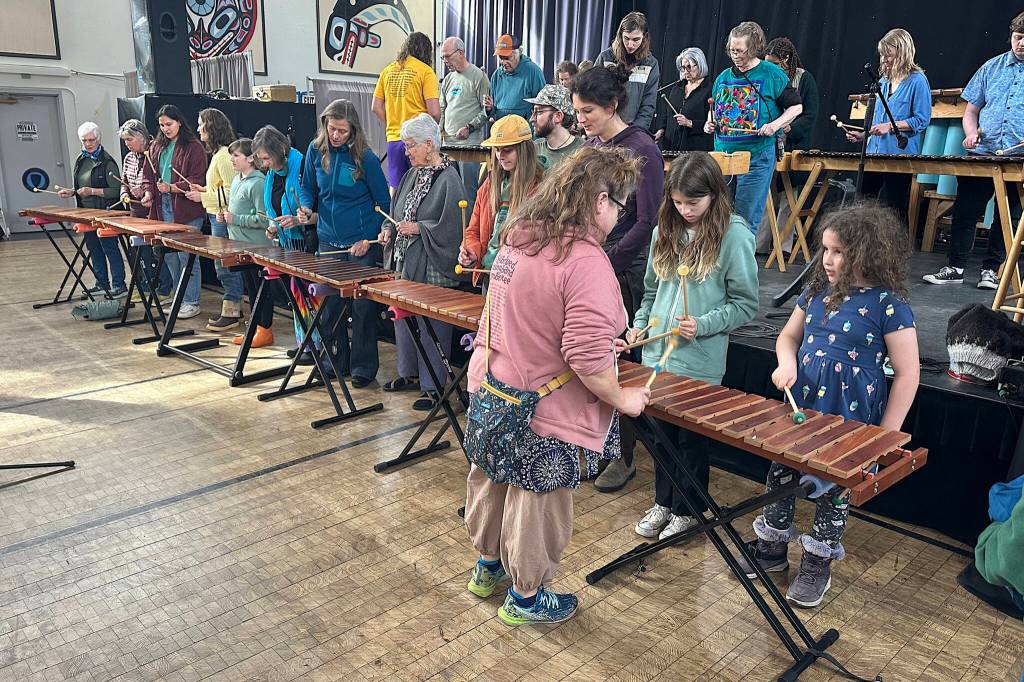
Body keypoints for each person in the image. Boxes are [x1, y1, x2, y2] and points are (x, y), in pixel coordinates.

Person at [463, 145, 652, 626]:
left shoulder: (517, 241)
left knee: (493, 481)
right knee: (537, 504)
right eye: (618, 205)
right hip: (545, 411)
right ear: (599, 201)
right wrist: (622, 397)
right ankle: (525, 598)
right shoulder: (584, 261)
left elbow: (514, 317)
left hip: (496, 389)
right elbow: (586, 358)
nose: (618, 215)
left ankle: (487, 568)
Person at [740, 201, 920, 608]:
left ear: (867, 252)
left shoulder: (888, 305)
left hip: (852, 420)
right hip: (802, 411)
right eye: (824, 250)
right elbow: (787, 338)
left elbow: (908, 374)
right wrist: (786, 363)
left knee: (834, 494)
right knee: (782, 476)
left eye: (838, 251)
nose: (828, 260)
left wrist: (884, 436)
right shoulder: (816, 292)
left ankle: (817, 565)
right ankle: (770, 551)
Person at [629, 152, 759, 540]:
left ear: (715, 195)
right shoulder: (663, 231)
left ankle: (689, 509)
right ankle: (664, 503)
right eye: (678, 201)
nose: (685, 210)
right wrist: (639, 326)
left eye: (694, 203)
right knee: (658, 436)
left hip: (699, 360)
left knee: (691, 441)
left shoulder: (733, 235)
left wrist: (702, 324)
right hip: (656, 354)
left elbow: (745, 305)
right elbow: (651, 292)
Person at [571, 64, 665, 492]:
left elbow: (646, 221)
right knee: (587, 358)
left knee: (619, 363)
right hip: (591, 263)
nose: (582, 119)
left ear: (612, 105)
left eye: (588, 111)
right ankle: (592, 444)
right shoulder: (591, 147)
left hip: (624, 269)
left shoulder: (641, 147)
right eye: (577, 111)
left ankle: (624, 456)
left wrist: (606, 260)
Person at [924, 11, 1024, 290]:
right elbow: (971, 110)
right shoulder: (991, 68)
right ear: (1011, 36)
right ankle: (954, 267)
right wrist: (970, 133)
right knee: (967, 211)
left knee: (1008, 218)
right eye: (1018, 37)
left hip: (1018, 160)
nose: (1022, 43)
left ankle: (991, 270)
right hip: (982, 155)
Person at [297, 99, 391, 388]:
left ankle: (363, 367)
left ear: (353, 130)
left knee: (362, 309)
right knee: (330, 305)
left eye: (342, 130)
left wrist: (368, 239)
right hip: (328, 241)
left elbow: (383, 204)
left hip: (360, 244)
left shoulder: (367, 158)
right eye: (331, 128)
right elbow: (307, 187)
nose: (335, 135)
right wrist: (305, 207)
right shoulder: (316, 150)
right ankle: (335, 360)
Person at [380, 114, 469, 409]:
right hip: (407, 258)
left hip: (433, 260)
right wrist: (388, 230)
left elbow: (454, 225)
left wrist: (420, 228)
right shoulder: (410, 175)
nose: (407, 152)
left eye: (411, 146)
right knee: (403, 317)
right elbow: (397, 210)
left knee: (432, 324)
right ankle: (410, 374)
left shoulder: (450, 178)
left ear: (430, 144)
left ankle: (434, 385)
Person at [704, 21, 803, 235]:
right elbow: (715, 108)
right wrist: (709, 122)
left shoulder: (771, 74)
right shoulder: (723, 78)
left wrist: (774, 125)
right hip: (723, 158)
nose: (735, 55)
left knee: (745, 220)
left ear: (754, 48)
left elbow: (796, 107)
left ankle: (741, 267)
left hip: (756, 157)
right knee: (718, 218)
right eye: (732, 50)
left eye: (740, 51)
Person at [845, 28, 931, 227]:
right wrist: (863, 135)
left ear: (902, 53)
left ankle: (898, 254)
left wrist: (891, 127)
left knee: (894, 208)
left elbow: (921, 120)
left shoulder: (917, 81)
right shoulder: (882, 83)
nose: (884, 59)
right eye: (882, 55)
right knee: (863, 204)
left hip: (898, 156)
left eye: (889, 55)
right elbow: (878, 122)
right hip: (873, 154)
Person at [254, 125, 320, 365]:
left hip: (306, 242)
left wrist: (295, 220)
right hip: (287, 242)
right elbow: (274, 204)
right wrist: (274, 226)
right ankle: (304, 341)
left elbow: (310, 204)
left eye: (266, 157)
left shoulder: (301, 165)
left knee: (308, 297)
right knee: (296, 295)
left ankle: (315, 345)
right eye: (261, 159)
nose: (264, 163)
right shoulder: (273, 173)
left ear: (280, 149)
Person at [458, 115, 545, 289]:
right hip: (489, 274)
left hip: (521, 281)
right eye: (497, 150)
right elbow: (473, 230)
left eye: (507, 150)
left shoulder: (542, 187)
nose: (500, 156)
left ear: (523, 150)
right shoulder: (489, 185)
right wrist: (471, 251)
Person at [141, 104, 209, 320]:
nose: (165, 129)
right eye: (161, 125)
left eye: (169, 124)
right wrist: (148, 193)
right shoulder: (156, 147)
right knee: (169, 257)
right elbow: (148, 176)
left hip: (186, 209)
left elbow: (198, 180)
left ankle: (191, 301)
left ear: (179, 121)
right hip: (163, 208)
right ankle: (179, 296)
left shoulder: (194, 147)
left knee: (186, 256)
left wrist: (173, 187)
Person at [756, 37, 820, 255]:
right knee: (766, 194)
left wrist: (789, 128)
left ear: (786, 59)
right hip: (768, 142)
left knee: (787, 196)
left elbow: (810, 114)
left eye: (774, 63)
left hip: (792, 144)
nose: (770, 67)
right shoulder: (766, 77)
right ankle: (760, 244)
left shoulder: (804, 79)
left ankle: (783, 246)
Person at [185, 108, 241, 332]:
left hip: (224, 218)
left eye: (202, 124)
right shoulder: (219, 154)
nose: (198, 128)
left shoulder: (226, 155)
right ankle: (234, 307)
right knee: (221, 265)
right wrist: (205, 189)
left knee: (225, 266)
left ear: (213, 126)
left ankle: (232, 311)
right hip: (216, 214)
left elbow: (233, 193)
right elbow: (221, 188)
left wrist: (203, 196)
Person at [57, 122, 127, 299]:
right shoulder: (81, 160)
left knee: (110, 248)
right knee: (94, 248)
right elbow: (81, 186)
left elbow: (116, 190)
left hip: (105, 212)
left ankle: (119, 285)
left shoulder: (108, 162)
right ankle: (101, 283)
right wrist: (72, 192)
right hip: (86, 213)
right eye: (84, 141)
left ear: (99, 139)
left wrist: (92, 191)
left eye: (91, 140)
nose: (88, 144)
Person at [217, 138, 273, 348]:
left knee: (260, 290)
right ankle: (256, 326)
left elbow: (264, 218)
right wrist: (225, 217)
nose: (231, 159)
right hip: (240, 246)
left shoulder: (258, 182)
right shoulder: (238, 180)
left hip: (257, 248)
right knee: (250, 289)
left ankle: (264, 329)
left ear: (250, 158)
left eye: (236, 155)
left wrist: (236, 219)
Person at [372, 32, 440, 190]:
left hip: (394, 139)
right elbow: (435, 112)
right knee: (421, 188)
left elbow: (375, 107)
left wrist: (394, 125)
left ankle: (394, 216)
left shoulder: (387, 71)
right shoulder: (425, 71)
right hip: (419, 141)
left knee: (396, 189)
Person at [117, 118, 172, 300]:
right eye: (124, 140)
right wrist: (124, 194)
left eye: (129, 140)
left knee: (157, 250)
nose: (127, 144)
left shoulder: (155, 152)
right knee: (140, 251)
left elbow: (159, 180)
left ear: (140, 137)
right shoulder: (128, 158)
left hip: (153, 209)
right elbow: (123, 181)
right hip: (136, 210)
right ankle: (145, 286)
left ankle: (164, 288)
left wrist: (144, 192)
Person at [439, 36, 490, 197]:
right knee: (451, 191)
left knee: (469, 191)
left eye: (447, 56)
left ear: (460, 53)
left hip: (470, 146)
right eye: (443, 57)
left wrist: (470, 127)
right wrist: (438, 131)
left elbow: (487, 111)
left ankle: (470, 222)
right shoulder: (448, 79)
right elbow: (442, 108)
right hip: (448, 146)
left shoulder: (478, 76)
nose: (445, 61)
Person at [593, 12, 660, 131]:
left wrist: (636, 132)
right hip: (605, 127)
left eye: (636, 39)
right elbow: (593, 94)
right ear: (620, 35)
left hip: (633, 128)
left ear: (644, 37)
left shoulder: (651, 64)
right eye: (626, 38)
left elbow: (648, 104)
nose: (630, 45)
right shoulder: (605, 57)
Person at [653, 47, 713, 152]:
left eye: (689, 67)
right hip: (670, 146)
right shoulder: (677, 88)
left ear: (700, 64)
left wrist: (689, 123)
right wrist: (660, 132)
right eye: (683, 68)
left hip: (694, 149)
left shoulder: (709, 90)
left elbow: (711, 124)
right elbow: (667, 115)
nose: (686, 72)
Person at [486, 35, 546, 122]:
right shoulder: (496, 75)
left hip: (525, 133)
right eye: (501, 58)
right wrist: (489, 109)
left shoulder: (533, 72)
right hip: (502, 132)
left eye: (507, 58)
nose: (503, 62)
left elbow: (542, 107)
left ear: (519, 52)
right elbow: (493, 110)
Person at [524, 84, 584, 169]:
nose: (531, 119)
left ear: (558, 116)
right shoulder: (535, 149)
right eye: (533, 112)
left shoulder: (582, 151)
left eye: (539, 112)